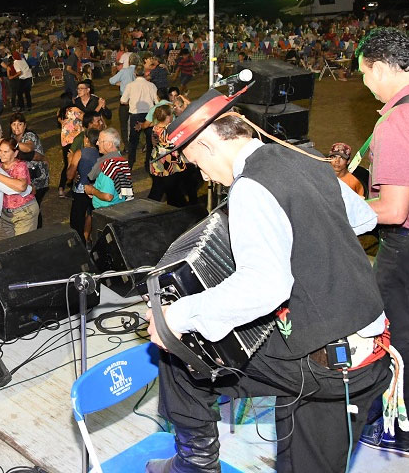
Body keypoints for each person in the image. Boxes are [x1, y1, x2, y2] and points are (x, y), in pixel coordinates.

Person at [143, 88, 391, 473]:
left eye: (197, 163)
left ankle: (196, 462)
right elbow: (363, 219)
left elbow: (264, 287)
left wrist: (176, 317)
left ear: (208, 144)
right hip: (369, 345)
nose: (204, 176)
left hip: (328, 366)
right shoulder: (300, 155)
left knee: (178, 350)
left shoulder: (251, 186)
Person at [354, 28, 409, 454]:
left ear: (382, 66)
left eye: (365, 73)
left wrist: (338, 212)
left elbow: (392, 210)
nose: (366, 84)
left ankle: (395, 427)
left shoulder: (394, 120)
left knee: (396, 338)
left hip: (403, 248)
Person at [8, 113, 49, 227]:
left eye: (20, 124)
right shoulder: (12, 137)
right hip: (25, 177)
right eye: (14, 124)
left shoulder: (29, 135)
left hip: (37, 176)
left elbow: (29, 148)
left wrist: (13, 144)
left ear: (25, 125)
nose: (16, 127)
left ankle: (37, 229)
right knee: (31, 205)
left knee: (34, 204)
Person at [0, 138, 39, 236]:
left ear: (15, 153)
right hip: (6, 214)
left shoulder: (20, 166)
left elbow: (21, 186)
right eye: (0, 151)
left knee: (22, 246)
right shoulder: (0, 166)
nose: (1, 154)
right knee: (9, 246)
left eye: (6, 151)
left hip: (24, 212)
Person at [121, 64, 158, 167]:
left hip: (135, 115)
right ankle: (148, 163)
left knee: (133, 141)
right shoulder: (151, 85)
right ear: (145, 73)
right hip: (149, 115)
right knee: (150, 140)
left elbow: (123, 101)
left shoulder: (130, 85)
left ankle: (131, 163)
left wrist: (130, 102)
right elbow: (157, 101)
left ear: (134, 73)